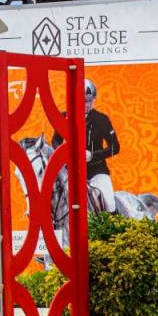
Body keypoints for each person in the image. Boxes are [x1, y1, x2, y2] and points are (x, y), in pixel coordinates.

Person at [52, 78, 120, 214]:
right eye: (83, 100)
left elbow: (115, 147)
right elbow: (55, 142)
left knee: (109, 200)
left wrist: (92, 156)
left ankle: (114, 227)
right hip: (70, 171)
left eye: (90, 100)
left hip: (97, 170)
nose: (87, 104)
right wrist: (66, 156)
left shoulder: (102, 119)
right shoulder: (64, 117)